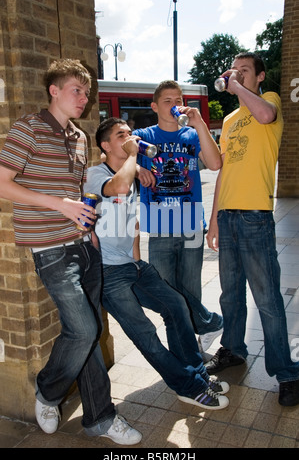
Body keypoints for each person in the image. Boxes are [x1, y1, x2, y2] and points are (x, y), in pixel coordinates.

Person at [0, 59, 142, 444]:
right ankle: (48, 391)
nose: (84, 98)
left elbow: (82, 194)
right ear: (54, 90)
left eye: (86, 92)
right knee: (83, 329)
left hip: (84, 245)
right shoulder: (27, 129)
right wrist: (60, 205)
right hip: (50, 249)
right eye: (76, 90)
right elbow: (2, 184)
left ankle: (99, 417)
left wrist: (87, 225)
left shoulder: (79, 137)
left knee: (89, 333)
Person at [84, 117, 230, 411]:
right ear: (105, 145)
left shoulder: (132, 171)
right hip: (107, 272)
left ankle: (198, 376)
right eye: (121, 135)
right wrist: (135, 158)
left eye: (130, 133)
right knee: (145, 334)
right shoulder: (94, 174)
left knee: (176, 306)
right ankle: (188, 387)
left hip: (132, 266)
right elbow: (118, 187)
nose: (129, 137)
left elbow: (132, 221)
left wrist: (137, 261)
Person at [205, 52, 299, 407]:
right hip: (228, 216)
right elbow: (224, 170)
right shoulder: (229, 119)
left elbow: (263, 115)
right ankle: (233, 349)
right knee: (230, 293)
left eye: (245, 70)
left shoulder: (269, 101)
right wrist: (213, 219)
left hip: (255, 215)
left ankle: (287, 373)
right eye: (234, 70)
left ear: (260, 77)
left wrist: (236, 87)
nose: (237, 74)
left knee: (268, 299)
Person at [133, 80, 223, 352]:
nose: (174, 105)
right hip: (159, 227)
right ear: (154, 106)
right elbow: (117, 148)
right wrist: (138, 169)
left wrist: (200, 124)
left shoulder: (192, 135)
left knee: (190, 289)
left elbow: (216, 163)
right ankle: (210, 324)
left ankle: (188, 352)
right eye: (167, 101)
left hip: (191, 224)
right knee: (166, 292)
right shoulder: (144, 134)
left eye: (178, 99)